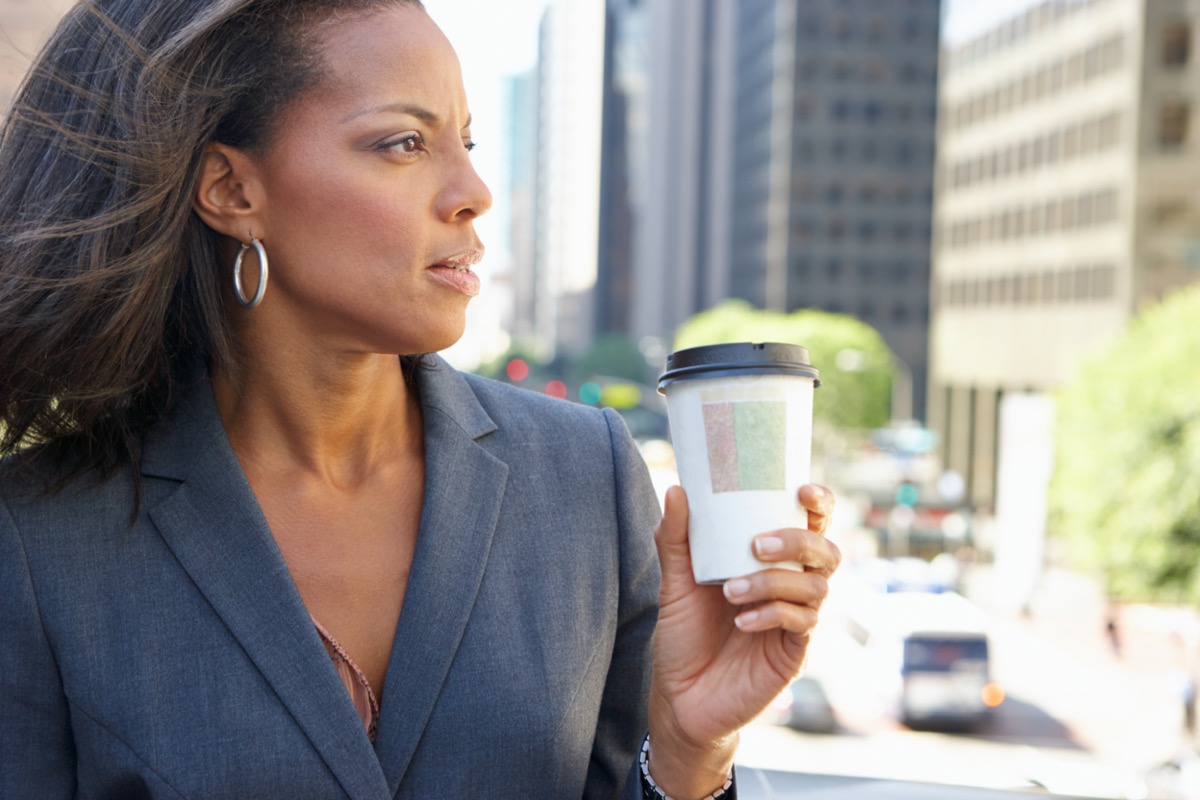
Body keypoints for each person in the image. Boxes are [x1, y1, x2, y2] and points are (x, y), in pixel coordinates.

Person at [0, 1, 841, 798]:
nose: (472, 191)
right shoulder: (42, 539)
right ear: (231, 189)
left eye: (467, 141)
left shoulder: (586, 477)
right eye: (404, 143)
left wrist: (691, 749)